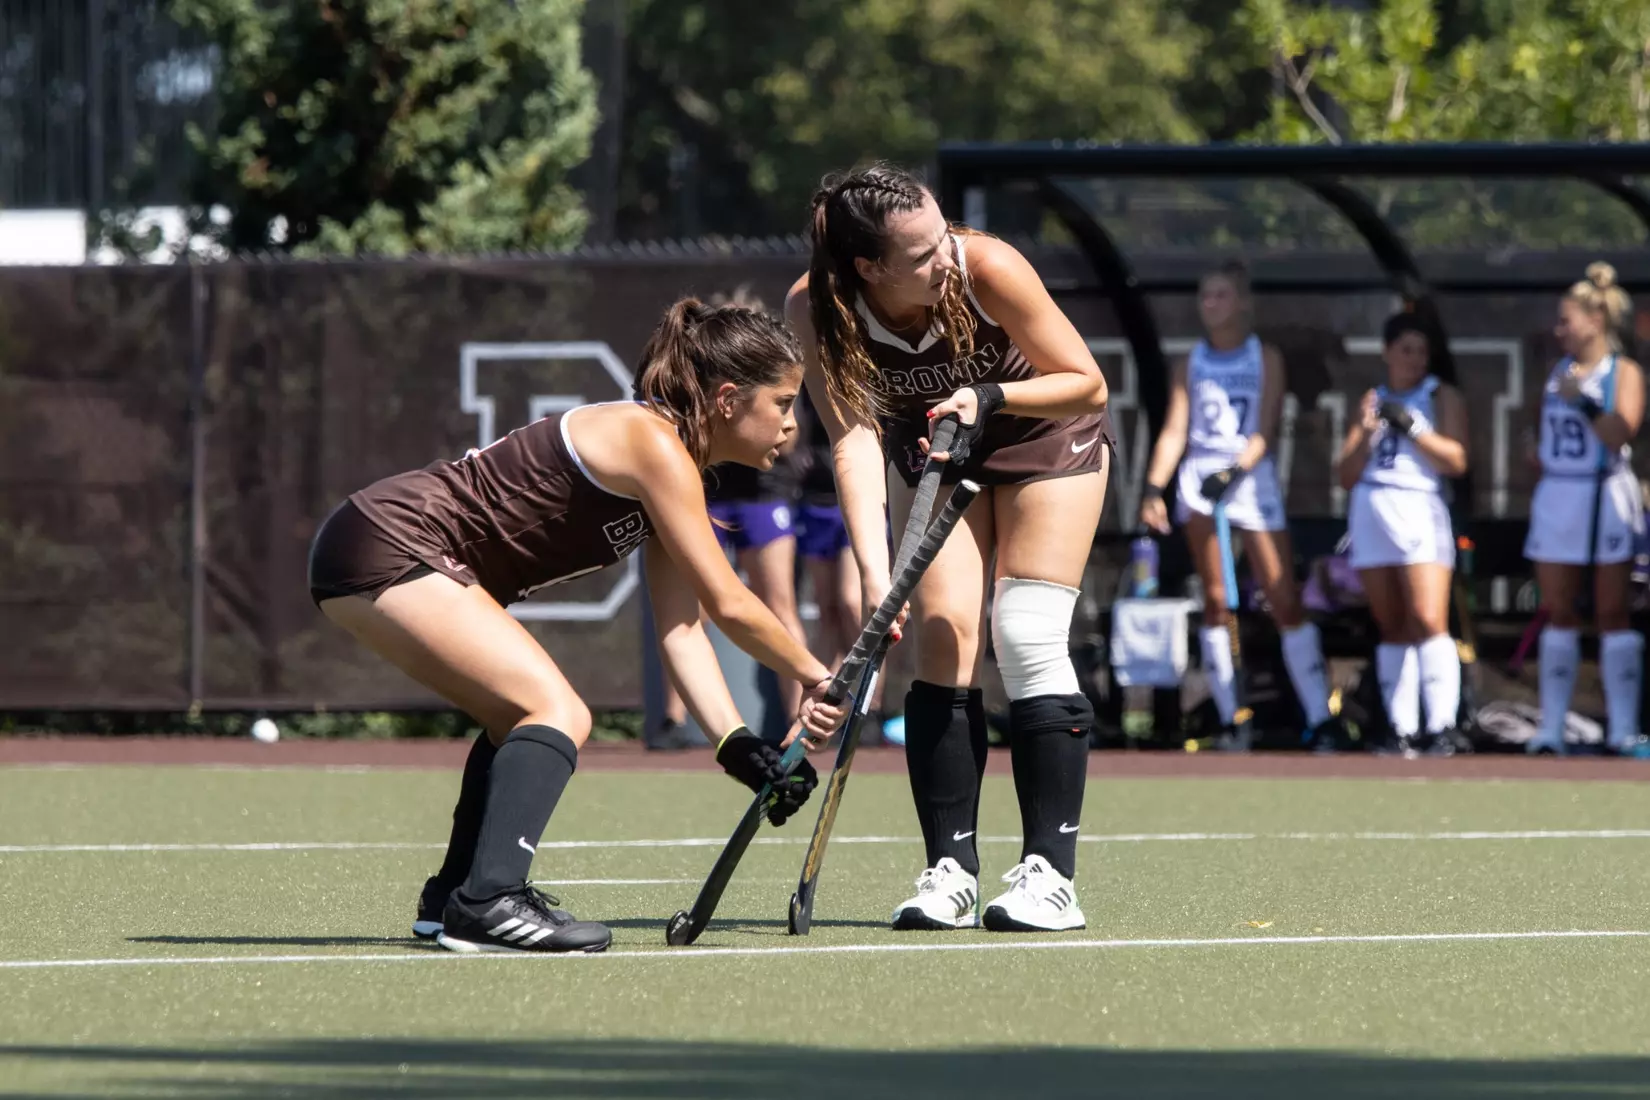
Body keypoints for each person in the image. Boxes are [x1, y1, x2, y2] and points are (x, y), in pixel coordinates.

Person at [308, 298, 844, 954]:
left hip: (371, 545)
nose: (792, 424)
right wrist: (817, 676)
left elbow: (683, 630)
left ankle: (455, 896)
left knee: (517, 716)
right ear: (729, 400)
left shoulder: (673, 468)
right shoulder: (654, 442)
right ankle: (490, 901)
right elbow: (730, 600)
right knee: (557, 711)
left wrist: (736, 745)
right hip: (391, 542)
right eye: (783, 402)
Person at [791, 163, 1112, 934]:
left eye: (944, 236)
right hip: (936, 449)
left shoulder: (987, 267)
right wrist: (875, 574)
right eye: (923, 252)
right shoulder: (818, 306)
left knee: (1026, 630)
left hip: (1045, 432)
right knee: (941, 635)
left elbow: (1086, 382)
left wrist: (990, 395)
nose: (946, 257)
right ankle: (951, 872)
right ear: (869, 267)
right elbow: (854, 438)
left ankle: (1050, 878)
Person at [1139, 260, 1339, 749]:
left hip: (1248, 478)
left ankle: (1320, 717)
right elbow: (1175, 430)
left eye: (1221, 295)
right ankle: (1232, 719)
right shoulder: (1190, 363)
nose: (1211, 304)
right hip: (1201, 480)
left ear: (1243, 303)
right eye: (1205, 295)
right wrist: (1153, 489)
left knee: (1282, 596)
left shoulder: (1263, 356)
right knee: (1215, 600)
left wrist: (1234, 472)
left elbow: (1265, 429)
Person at [1522, 263, 1645, 755]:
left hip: (1603, 494)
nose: (1560, 330)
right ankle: (1551, 727)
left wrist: (1586, 404)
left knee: (1612, 611)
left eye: (1566, 320)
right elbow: (1543, 433)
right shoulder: (1557, 372)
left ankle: (1623, 727)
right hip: (1559, 495)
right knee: (1558, 609)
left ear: (1595, 320)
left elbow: (1620, 431)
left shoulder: (1622, 372)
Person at [1335, 312, 1469, 756]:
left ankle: (1443, 724)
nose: (1414, 360)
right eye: (1406, 350)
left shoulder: (1439, 395)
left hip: (1418, 507)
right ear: (1387, 352)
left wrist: (1414, 427)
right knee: (1391, 622)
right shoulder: (1372, 399)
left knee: (1427, 618)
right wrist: (1365, 432)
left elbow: (1456, 459)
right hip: (1373, 508)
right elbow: (1346, 473)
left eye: (1421, 352)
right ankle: (1401, 727)